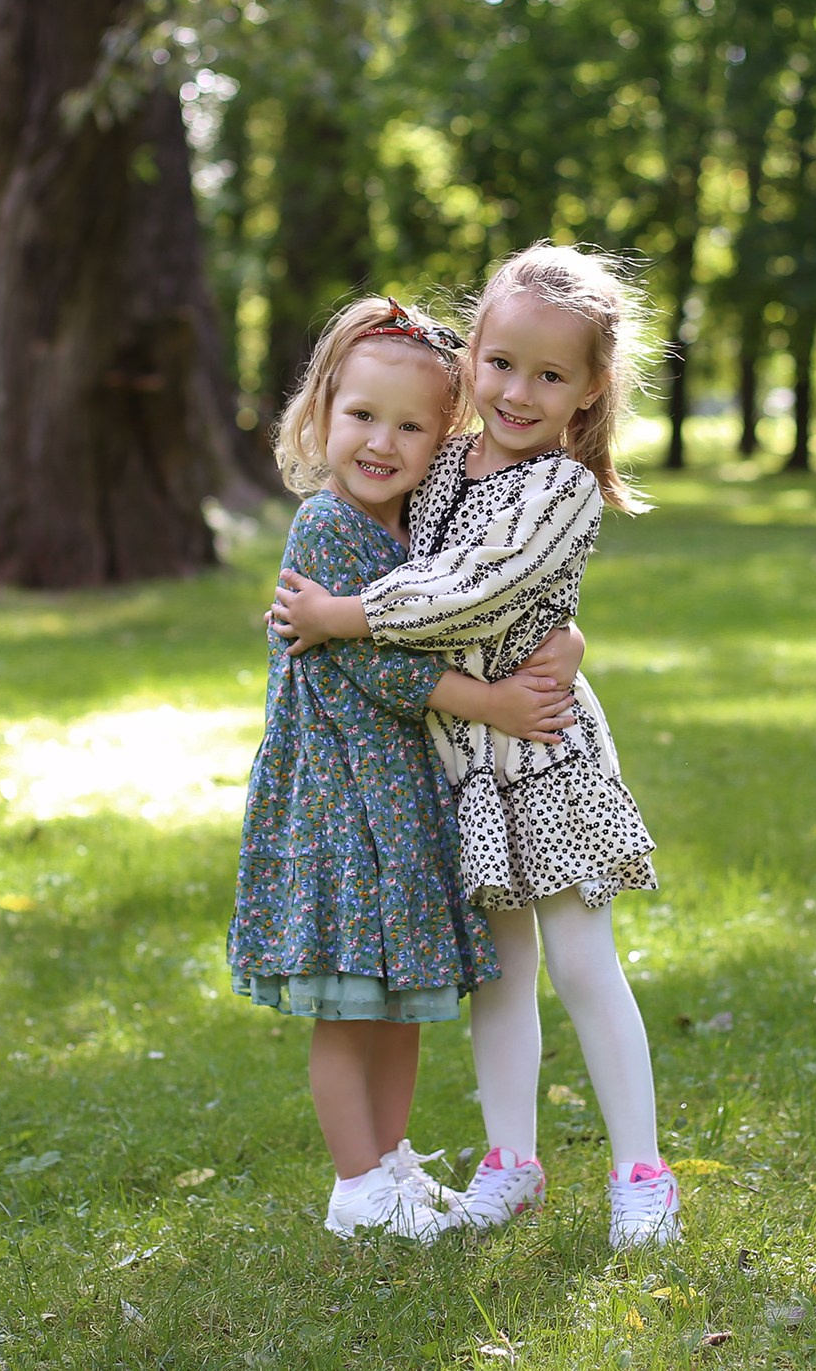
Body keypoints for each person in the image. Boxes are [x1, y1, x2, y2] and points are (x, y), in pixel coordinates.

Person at [271, 245, 681, 1249]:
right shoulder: (444, 458)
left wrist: (349, 613)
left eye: (550, 374)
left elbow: (470, 589)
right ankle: (511, 1162)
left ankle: (641, 1171)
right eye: (500, 363)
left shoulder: (560, 489)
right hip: (458, 763)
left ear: (589, 390)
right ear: (473, 360)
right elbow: (374, 519)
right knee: (499, 975)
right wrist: (317, 594)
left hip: (542, 757)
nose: (518, 390)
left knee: (582, 961)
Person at [227, 295, 584, 1243]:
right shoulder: (328, 525)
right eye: (361, 417)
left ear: (444, 436)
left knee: (399, 999)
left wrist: (567, 635)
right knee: (349, 1005)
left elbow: (490, 601)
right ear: (321, 415)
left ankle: (393, 1164)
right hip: (340, 803)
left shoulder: (414, 533)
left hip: (400, 799)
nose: (381, 442)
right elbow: (375, 665)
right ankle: (355, 1187)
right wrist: (496, 705)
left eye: (410, 425)